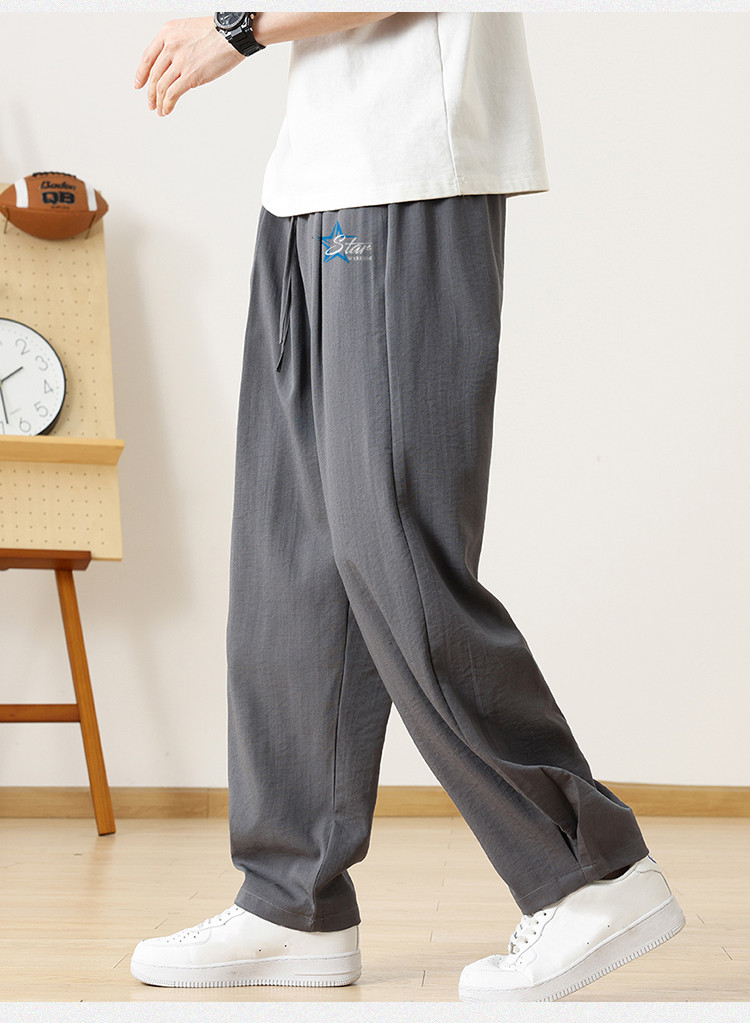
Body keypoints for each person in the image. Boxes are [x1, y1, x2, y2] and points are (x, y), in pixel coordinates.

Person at [129, 12, 685, 1002]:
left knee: (395, 548)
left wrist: (240, 28)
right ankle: (289, 901)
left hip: (406, 169)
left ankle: (593, 871)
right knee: (294, 561)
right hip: (313, 178)